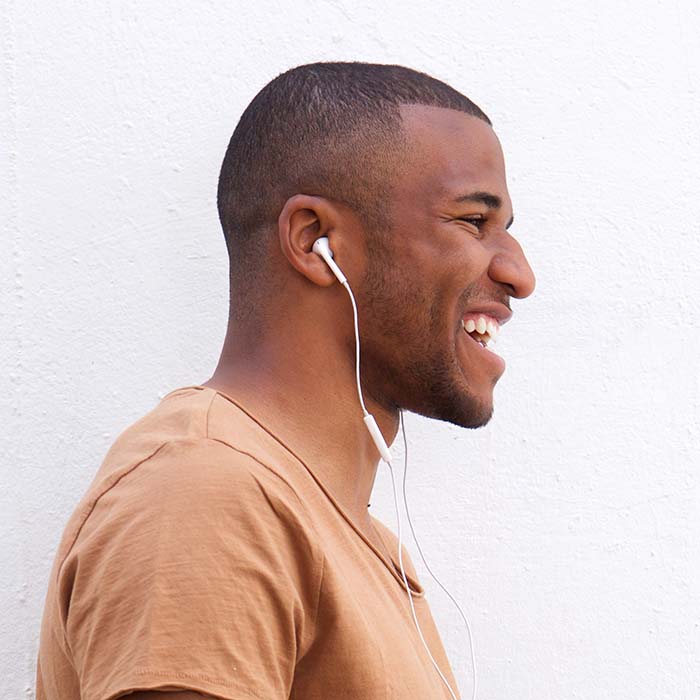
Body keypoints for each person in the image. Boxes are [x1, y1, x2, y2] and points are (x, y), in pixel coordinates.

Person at [35, 62, 535, 700]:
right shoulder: (208, 494)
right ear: (315, 239)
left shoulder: (336, 531)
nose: (520, 274)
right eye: (472, 222)